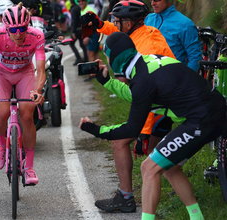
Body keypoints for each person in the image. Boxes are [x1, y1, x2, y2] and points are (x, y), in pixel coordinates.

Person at [79, 32, 225, 220]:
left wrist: (96, 130)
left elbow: (132, 128)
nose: (106, 60)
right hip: (212, 109)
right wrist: (106, 81)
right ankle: (197, 217)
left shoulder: (142, 81)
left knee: (149, 167)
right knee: (169, 166)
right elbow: (139, 96)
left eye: (107, 55)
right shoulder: (148, 62)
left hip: (202, 119)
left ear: (116, 58)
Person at [81, 0, 177, 213]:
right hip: (157, 102)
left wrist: (143, 131)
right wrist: (99, 23)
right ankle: (179, 196)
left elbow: (150, 91)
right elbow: (115, 30)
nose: (115, 24)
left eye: (119, 21)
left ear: (133, 22)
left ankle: (128, 198)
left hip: (159, 106)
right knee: (158, 157)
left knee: (137, 149)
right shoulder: (138, 32)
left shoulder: (146, 45)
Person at [0, 3, 45, 185]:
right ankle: (1, 143)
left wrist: (38, 91)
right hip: (1, 74)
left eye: (22, 28)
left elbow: (41, 70)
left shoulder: (37, 35)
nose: (18, 33)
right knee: (1, 113)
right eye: (14, 29)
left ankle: (29, 167)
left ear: (28, 25)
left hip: (25, 73)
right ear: (5, 27)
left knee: (27, 115)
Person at [145, 0, 202, 72]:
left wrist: (186, 79)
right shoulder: (148, 19)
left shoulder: (185, 24)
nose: (153, 3)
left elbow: (195, 57)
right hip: (148, 74)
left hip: (172, 75)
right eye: (151, 0)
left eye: (157, 0)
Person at [69, 0, 88, 65]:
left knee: (71, 43)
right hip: (81, 28)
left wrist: (73, 31)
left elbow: (74, 21)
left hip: (76, 30)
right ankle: (86, 58)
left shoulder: (74, 9)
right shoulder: (78, 7)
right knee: (82, 44)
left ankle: (79, 58)